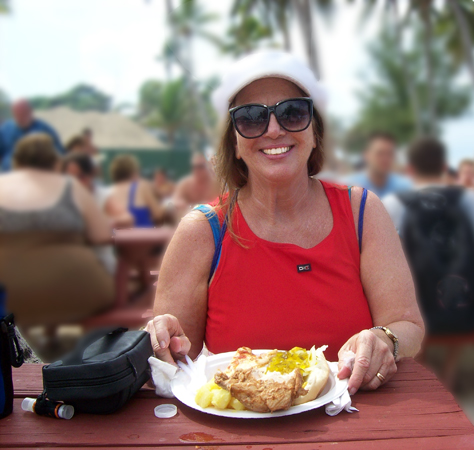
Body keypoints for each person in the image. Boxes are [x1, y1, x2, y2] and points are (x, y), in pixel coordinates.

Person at [145, 50, 424, 395]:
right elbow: (175, 363)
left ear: (314, 131)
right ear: (234, 143)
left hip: (357, 422)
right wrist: (163, 339)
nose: (274, 130)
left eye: (293, 113)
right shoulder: (202, 231)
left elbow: (408, 326)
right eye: (250, 118)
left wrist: (386, 339)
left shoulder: (362, 212)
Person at [382, 137, 474, 388]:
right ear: (445, 166)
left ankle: (422, 364)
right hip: (466, 311)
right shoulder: (471, 199)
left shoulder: (392, 204)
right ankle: (450, 371)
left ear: (409, 169)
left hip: (416, 313)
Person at [0, 133, 114, 330]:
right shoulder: (70, 185)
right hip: (77, 289)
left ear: (17, 161)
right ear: (54, 161)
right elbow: (101, 235)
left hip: (9, 294)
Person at [0, 99, 65, 172]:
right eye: (17, 113)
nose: (21, 116)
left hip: (40, 176)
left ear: (30, 111)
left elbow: (60, 154)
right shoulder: (5, 130)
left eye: (23, 112)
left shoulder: (45, 129)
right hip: (10, 176)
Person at [344, 132, 412, 198]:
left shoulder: (404, 187)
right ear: (366, 155)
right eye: (380, 153)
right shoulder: (350, 187)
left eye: (390, 154)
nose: (385, 159)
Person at [104, 154, 165, 228]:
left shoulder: (106, 192)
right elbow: (158, 215)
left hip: (117, 238)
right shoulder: (141, 186)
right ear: (134, 172)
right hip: (144, 238)